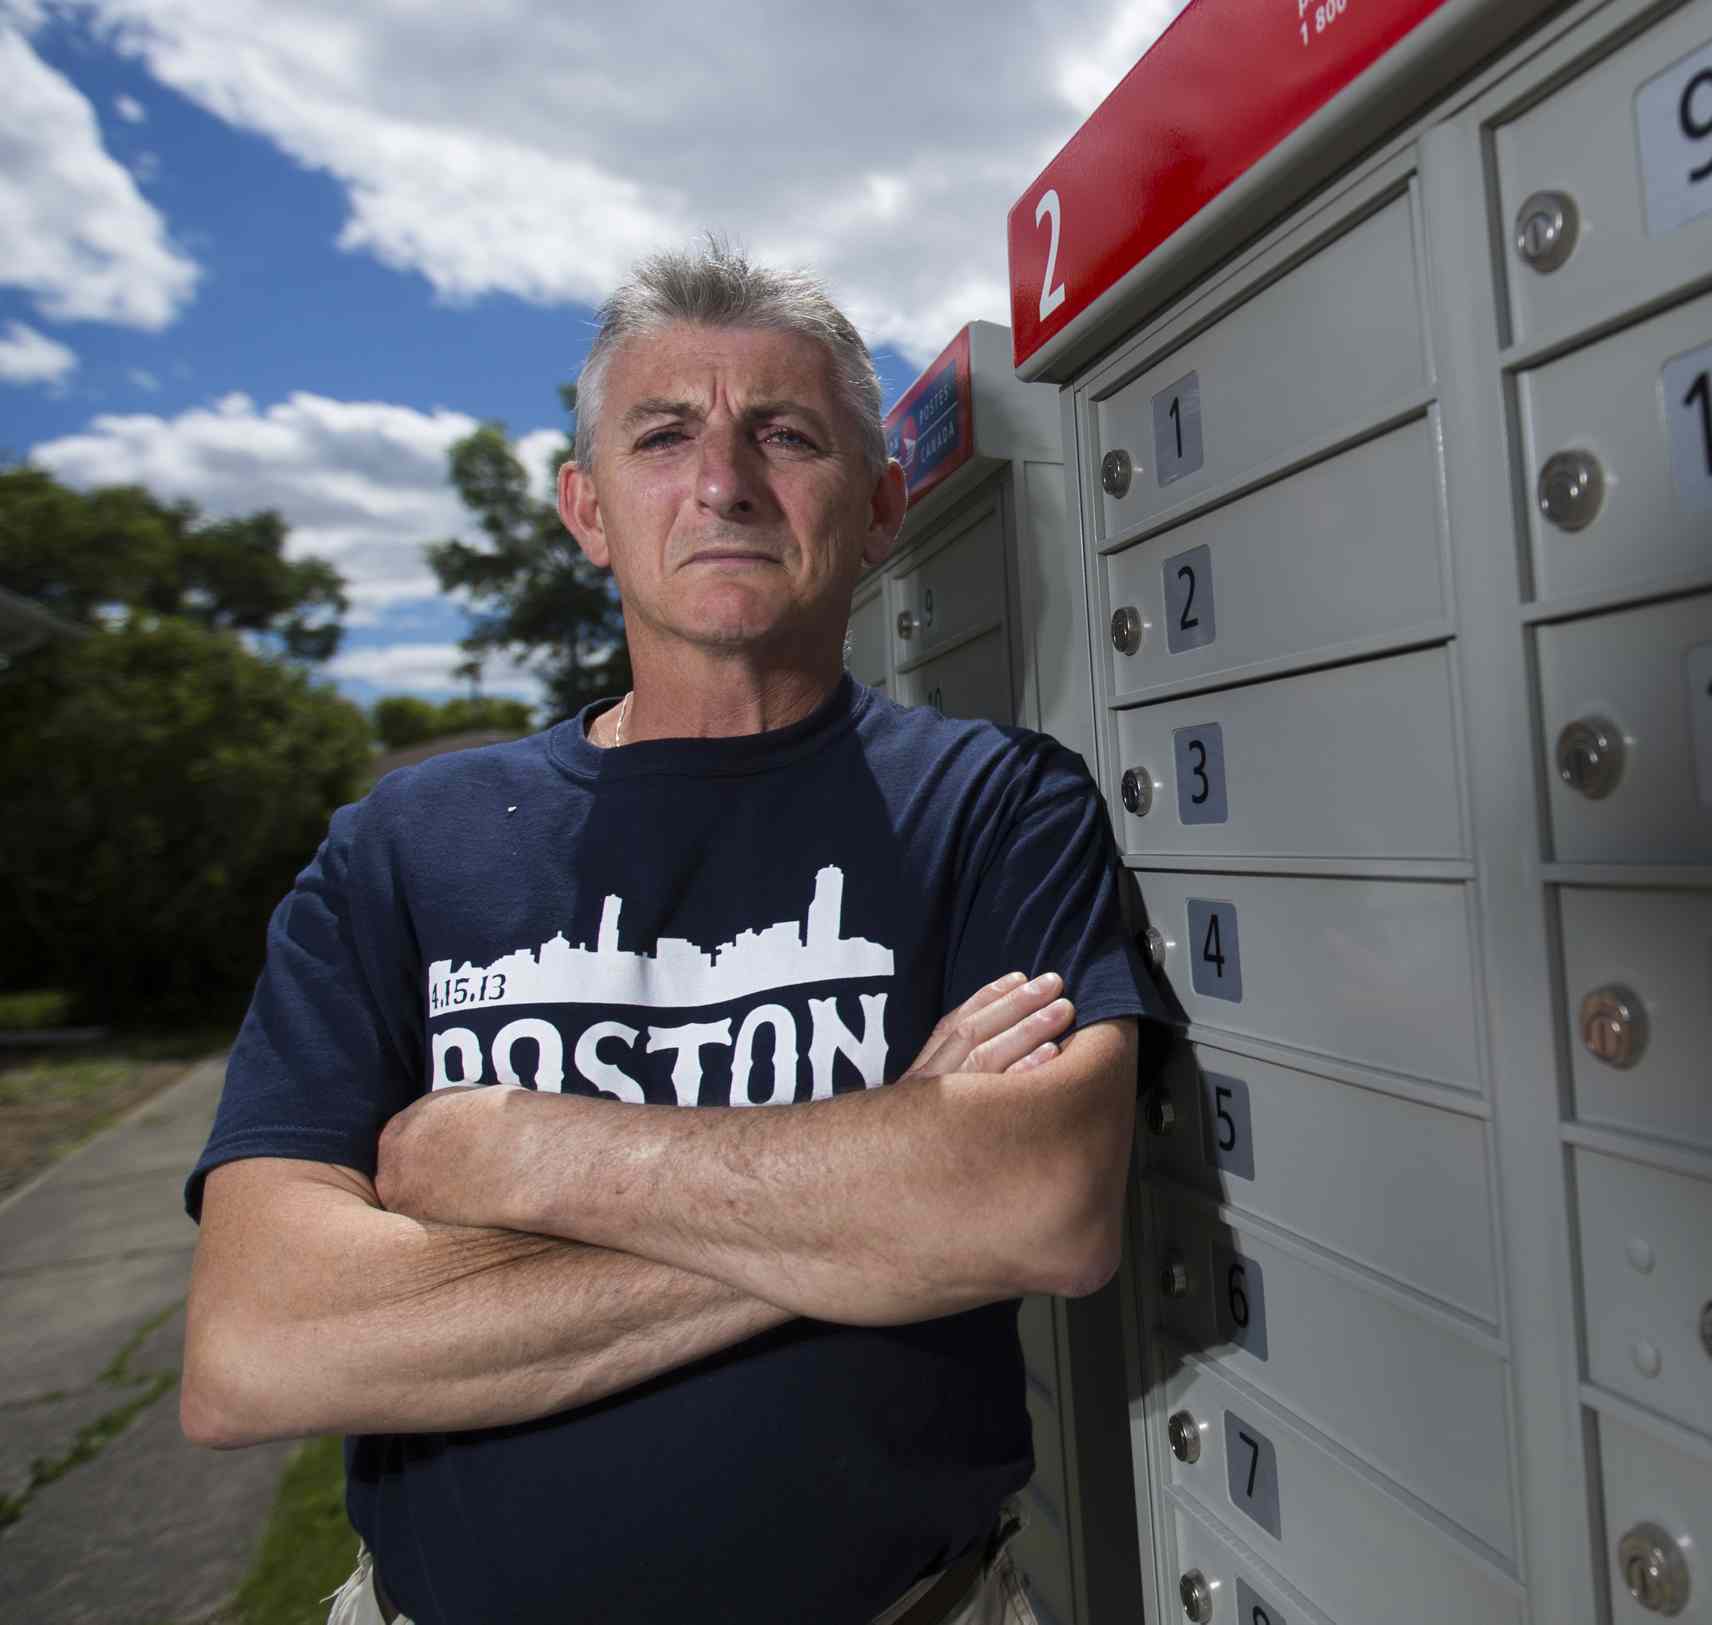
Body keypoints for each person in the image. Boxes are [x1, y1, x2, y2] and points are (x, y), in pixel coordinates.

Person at [180, 241, 1168, 1625]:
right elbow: (258, 1346)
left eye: (785, 433)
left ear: (880, 504)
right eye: (663, 436)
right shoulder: (402, 847)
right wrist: (884, 1187)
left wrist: (527, 1154)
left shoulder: (998, 803)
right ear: (587, 509)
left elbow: (1040, 1205)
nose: (724, 481)